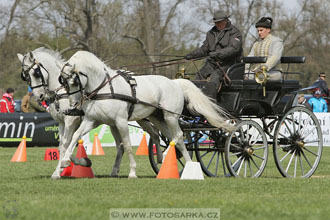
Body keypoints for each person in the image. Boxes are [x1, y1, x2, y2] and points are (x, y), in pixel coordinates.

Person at [184, 10, 243, 91]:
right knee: (200, 74)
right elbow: (204, 49)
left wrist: (217, 54)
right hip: (213, 63)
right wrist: (192, 55)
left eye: (219, 22)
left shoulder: (234, 32)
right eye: (216, 22)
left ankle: (212, 100)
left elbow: (234, 49)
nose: (217, 24)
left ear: (225, 21)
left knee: (215, 76)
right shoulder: (211, 33)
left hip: (229, 63)